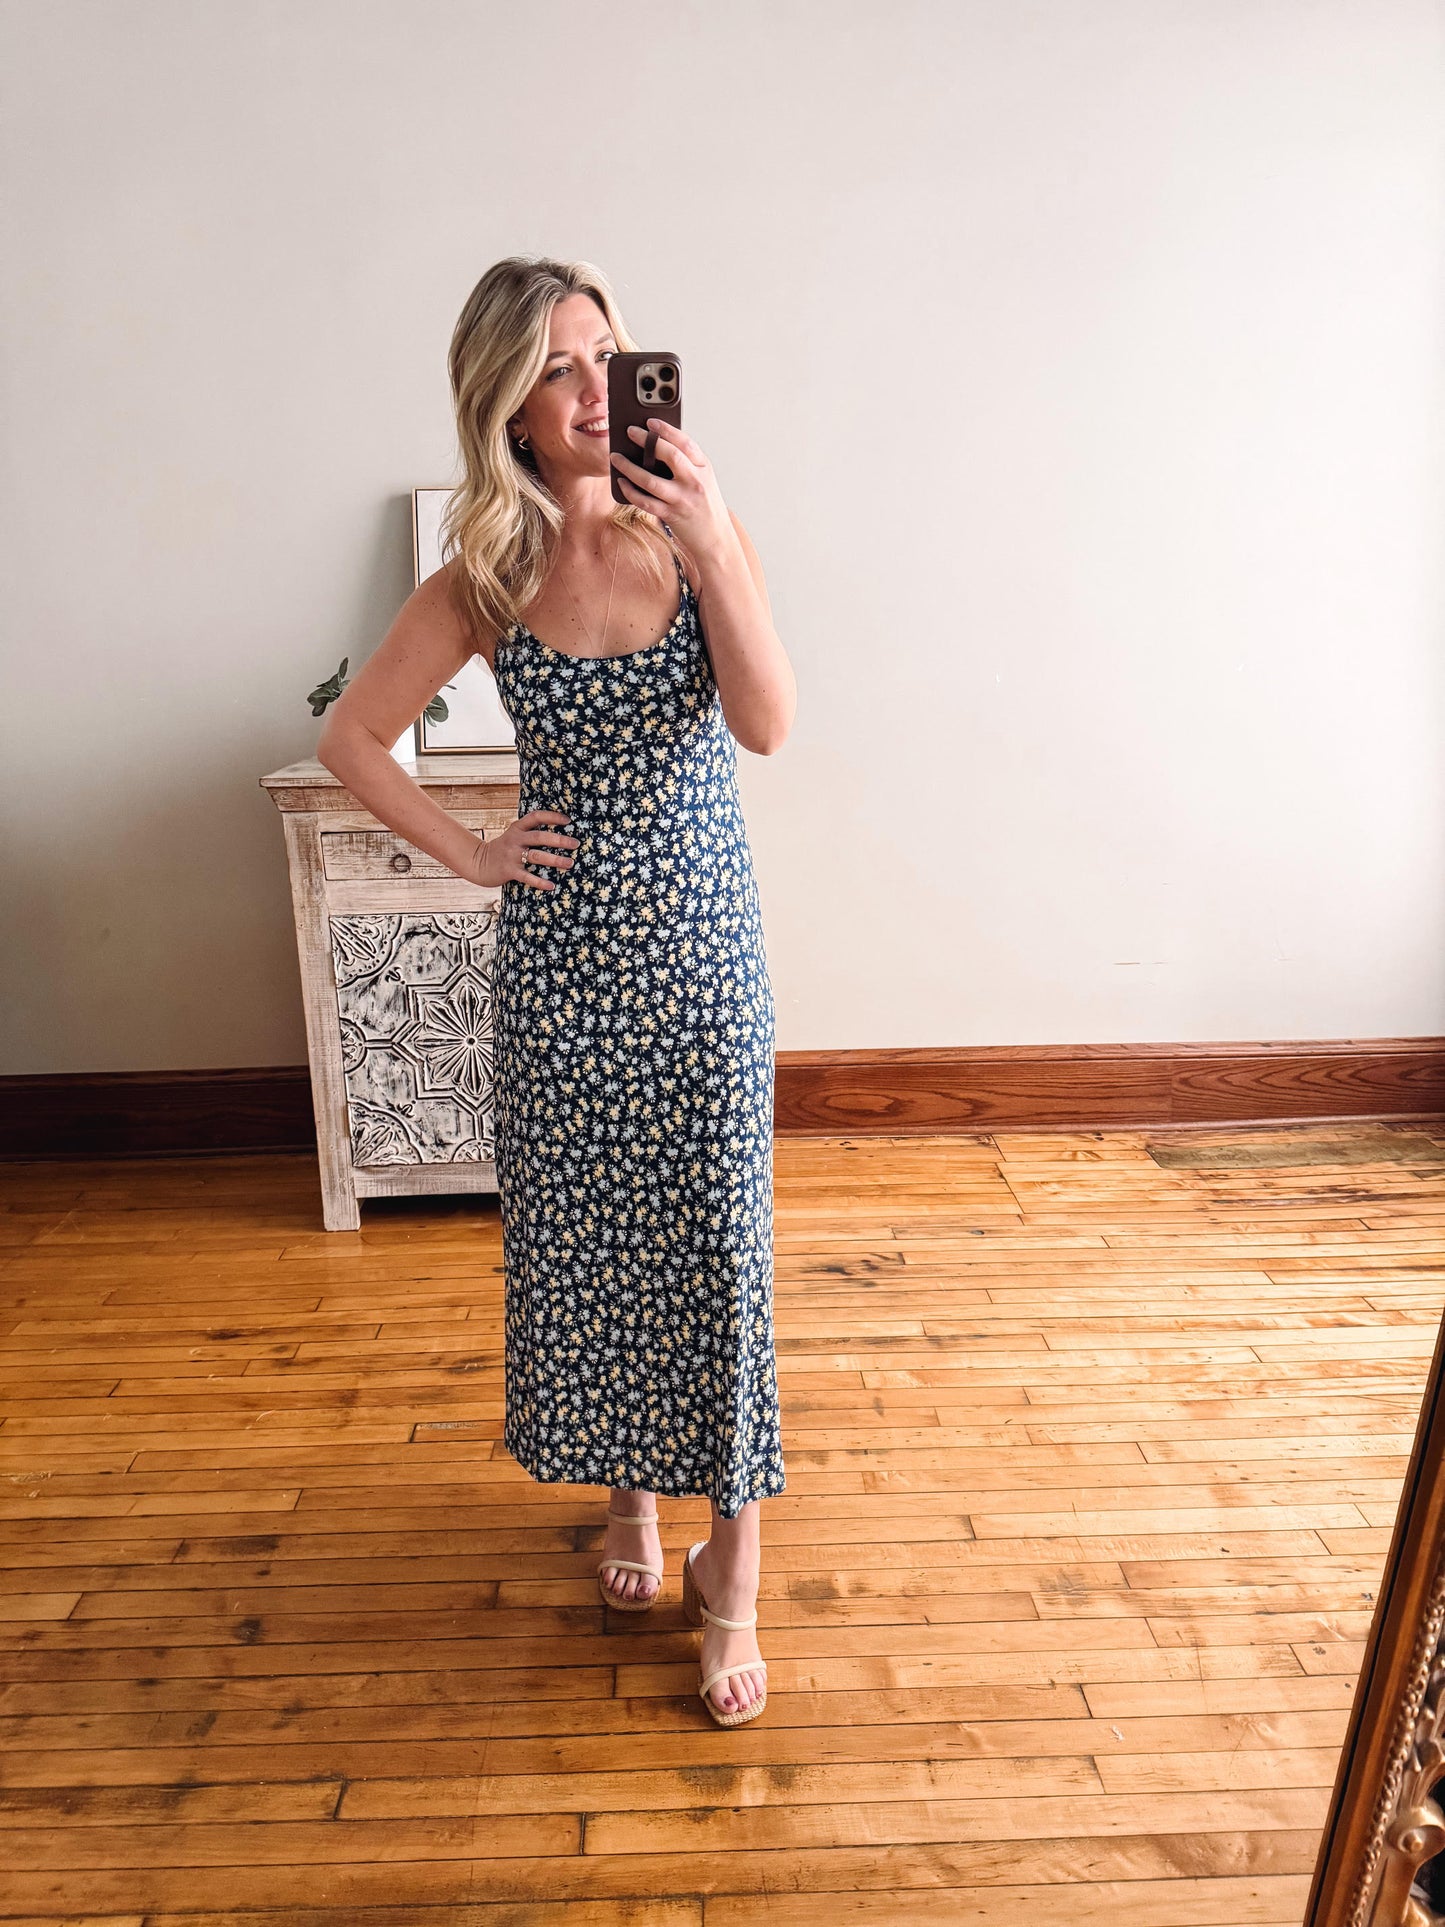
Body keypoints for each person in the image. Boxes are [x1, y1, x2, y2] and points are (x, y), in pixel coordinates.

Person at [317, 255, 797, 1727]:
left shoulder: (693, 534)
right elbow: (355, 740)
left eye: (608, 358)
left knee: (714, 1256)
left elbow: (769, 726)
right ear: (507, 410)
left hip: (704, 960)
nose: (596, 392)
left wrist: (713, 544)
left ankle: (735, 1567)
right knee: (593, 1251)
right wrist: (472, 850)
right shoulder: (489, 574)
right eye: (561, 371)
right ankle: (630, 1508)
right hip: (566, 973)